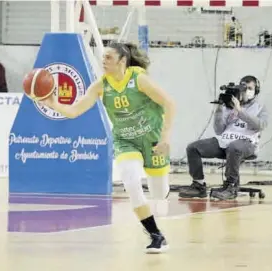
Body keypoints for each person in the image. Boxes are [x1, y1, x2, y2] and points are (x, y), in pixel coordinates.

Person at [40, 42, 176, 253]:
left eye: (109, 58)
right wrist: (53, 104)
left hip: (153, 140)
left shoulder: (138, 80)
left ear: (122, 61)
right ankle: (156, 235)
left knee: (159, 193)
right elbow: (75, 111)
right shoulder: (101, 85)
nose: (104, 61)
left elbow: (170, 103)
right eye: (103, 57)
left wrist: (166, 136)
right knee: (131, 182)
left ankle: (157, 203)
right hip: (125, 141)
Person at [179, 76, 268, 200]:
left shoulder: (260, 107)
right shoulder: (229, 105)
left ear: (256, 91)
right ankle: (198, 185)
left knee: (234, 147)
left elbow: (260, 125)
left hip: (247, 144)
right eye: (244, 87)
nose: (246, 90)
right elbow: (219, 130)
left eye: (250, 88)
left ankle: (231, 186)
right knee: (193, 148)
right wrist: (220, 109)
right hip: (224, 142)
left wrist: (239, 110)